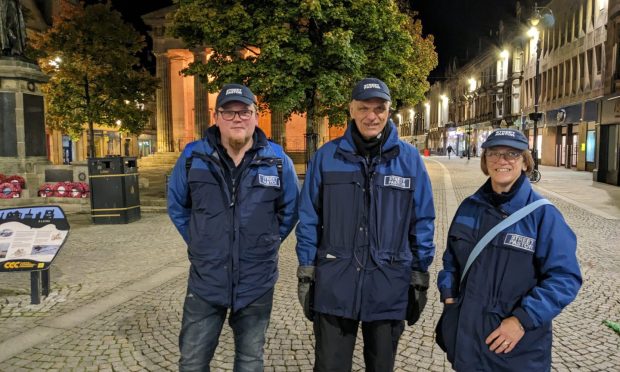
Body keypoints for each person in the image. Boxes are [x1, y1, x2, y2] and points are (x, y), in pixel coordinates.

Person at [296, 78, 436, 371]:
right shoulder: (326, 157)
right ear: (351, 110)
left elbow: (422, 219)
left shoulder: (409, 161)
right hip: (335, 282)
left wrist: (419, 274)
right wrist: (307, 271)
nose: (372, 116)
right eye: (364, 108)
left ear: (389, 111)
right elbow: (309, 217)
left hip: (389, 283)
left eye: (379, 108)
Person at [167, 83, 299, 371]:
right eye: (229, 112)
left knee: (250, 361)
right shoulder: (193, 157)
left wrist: (270, 240)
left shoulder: (277, 161)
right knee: (192, 361)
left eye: (245, 111)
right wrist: (199, 240)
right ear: (216, 117)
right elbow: (177, 206)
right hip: (206, 280)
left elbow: (290, 209)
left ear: (255, 116)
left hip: (256, 280)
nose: (237, 118)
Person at [436, 128, 582, 371]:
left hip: (515, 350)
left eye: (512, 154)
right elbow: (451, 258)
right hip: (468, 343)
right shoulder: (469, 207)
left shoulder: (544, 215)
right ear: (485, 161)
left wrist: (522, 320)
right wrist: (449, 293)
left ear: (525, 162)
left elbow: (565, 277)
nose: (501, 160)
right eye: (493, 153)